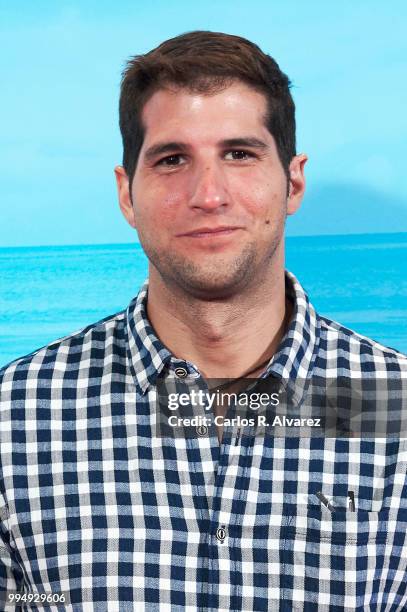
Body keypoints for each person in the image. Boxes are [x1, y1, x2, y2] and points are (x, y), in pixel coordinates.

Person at [1, 30, 406, 612]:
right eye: (171, 160)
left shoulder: (399, 407)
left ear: (292, 181)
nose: (208, 194)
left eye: (239, 154)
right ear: (126, 194)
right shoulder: (13, 418)